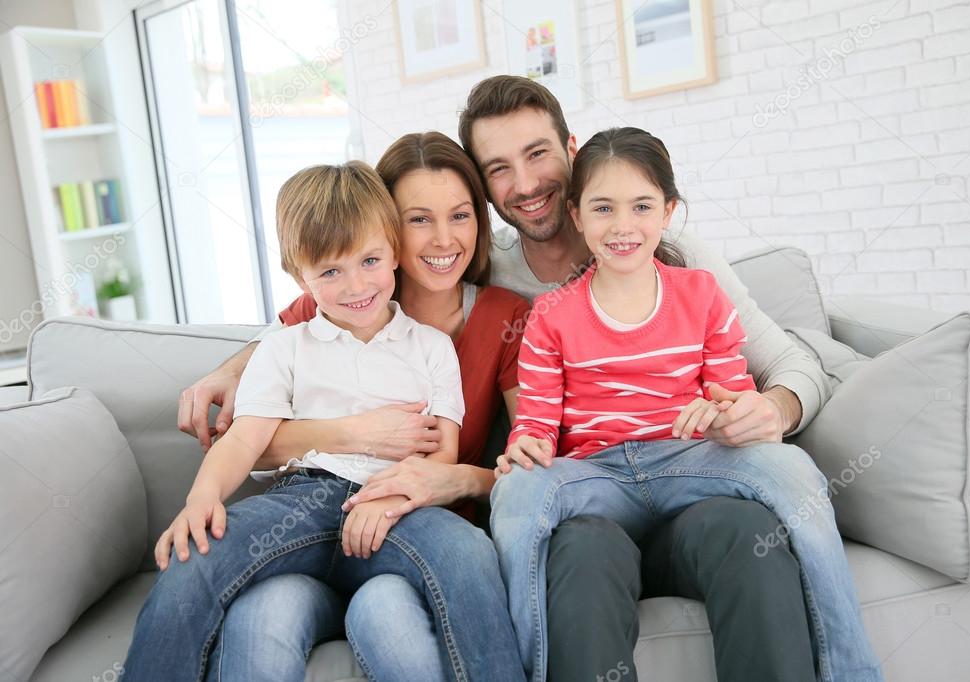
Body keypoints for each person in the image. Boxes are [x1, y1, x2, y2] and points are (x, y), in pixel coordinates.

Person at [180, 76, 828, 682]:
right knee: (573, 557)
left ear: (571, 153)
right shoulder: (420, 291)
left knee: (747, 538)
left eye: (538, 154)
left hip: (665, 486)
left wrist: (773, 408)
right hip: (560, 508)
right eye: (498, 169)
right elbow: (286, 354)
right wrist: (232, 369)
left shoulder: (662, 257)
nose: (524, 183)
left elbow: (795, 363)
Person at [488, 127, 881, 682]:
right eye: (603, 208)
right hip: (595, 478)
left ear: (668, 211)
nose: (623, 226)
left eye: (642, 206)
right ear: (576, 215)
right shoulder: (551, 315)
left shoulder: (700, 292)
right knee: (517, 490)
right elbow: (537, 423)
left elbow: (732, 390)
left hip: (690, 463)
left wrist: (729, 414)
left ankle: (852, 670)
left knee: (792, 465)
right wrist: (525, 445)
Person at [122, 161, 524, 682]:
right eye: (330, 272)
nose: (355, 285)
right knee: (193, 556)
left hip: (396, 508)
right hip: (303, 501)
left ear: (393, 252)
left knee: (468, 553)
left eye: (370, 261)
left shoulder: (432, 348)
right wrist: (203, 499)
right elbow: (246, 437)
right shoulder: (283, 348)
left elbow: (442, 453)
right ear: (299, 276)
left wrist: (390, 496)